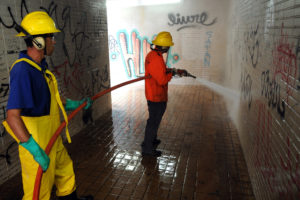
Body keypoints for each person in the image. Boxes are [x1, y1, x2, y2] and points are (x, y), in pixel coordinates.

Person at [3, 11, 93, 200]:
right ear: (38, 42)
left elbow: (53, 103)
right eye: (51, 37)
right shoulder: (23, 70)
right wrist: (35, 150)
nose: (53, 41)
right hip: (38, 147)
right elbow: (12, 116)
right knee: (39, 194)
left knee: (66, 174)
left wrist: (77, 104)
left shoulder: (41, 68)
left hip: (53, 138)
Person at [142, 31, 175, 157]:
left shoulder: (153, 55)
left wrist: (168, 70)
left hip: (153, 94)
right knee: (153, 122)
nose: (169, 48)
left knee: (154, 120)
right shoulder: (156, 58)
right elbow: (161, 80)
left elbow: (158, 72)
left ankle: (152, 140)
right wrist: (171, 74)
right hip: (157, 96)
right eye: (168, 46)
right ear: (165, 46)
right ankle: (148, 149)